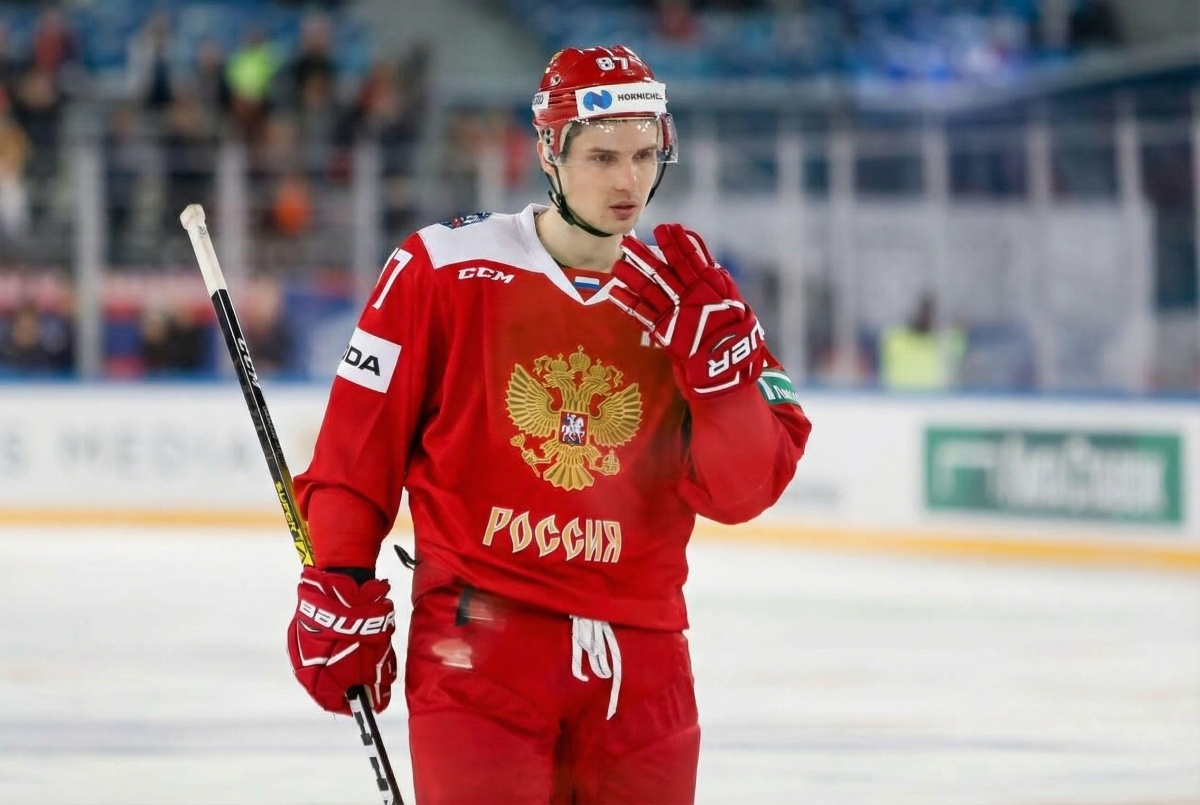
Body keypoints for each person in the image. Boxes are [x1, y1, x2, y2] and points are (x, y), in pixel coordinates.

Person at [288, 44, 812, 804]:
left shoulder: (690, 299)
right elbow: (356, 448)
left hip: (643, 664)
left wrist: (723, 385)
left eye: (643, 155)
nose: (628, 182)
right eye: (602, 157)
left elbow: (741, 494)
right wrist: (339, 574)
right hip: (478, 646)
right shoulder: (443, 268)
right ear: (547, 153)